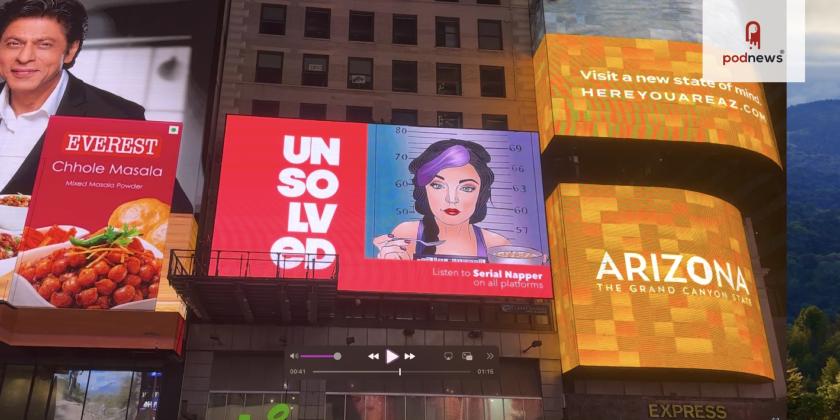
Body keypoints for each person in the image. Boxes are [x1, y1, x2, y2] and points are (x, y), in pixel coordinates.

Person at [0, 0, 190, 211]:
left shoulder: (117, 118)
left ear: (71, 50)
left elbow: (175, 213)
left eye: (44, 44)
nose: (24, 57)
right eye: (14, 43)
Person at [373, 139, 509, 262]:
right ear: (424, 190)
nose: (451, 199)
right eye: (438, 185)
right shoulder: (406, 235)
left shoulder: (497, 245)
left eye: (467, 188)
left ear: (481, 193)